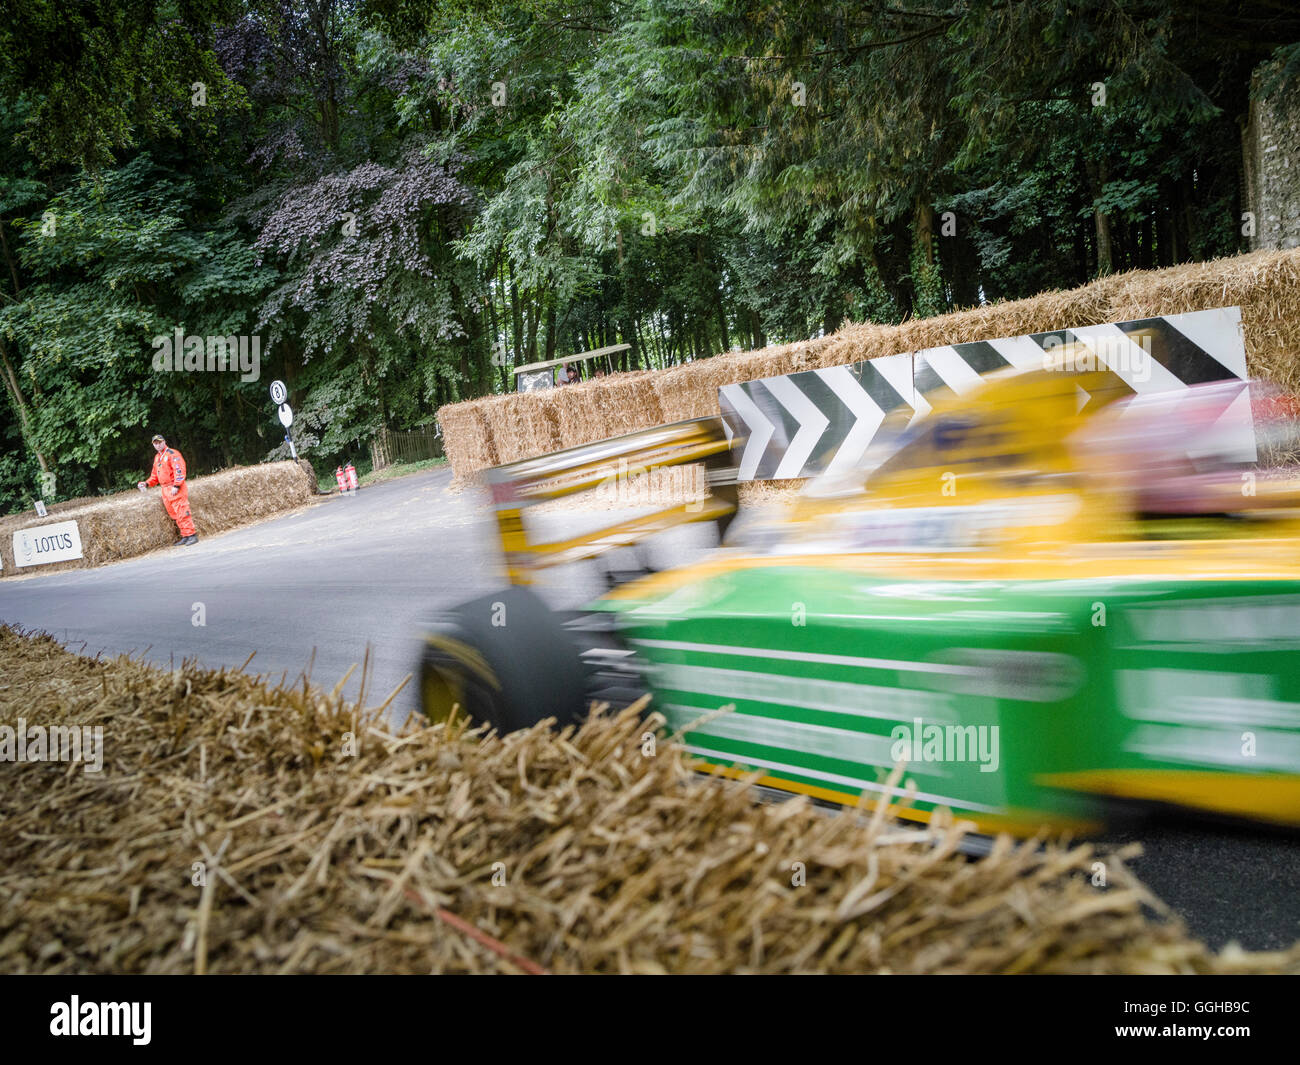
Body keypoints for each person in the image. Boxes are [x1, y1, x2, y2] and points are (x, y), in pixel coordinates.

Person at [138, 434, 198, 545]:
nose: (158, 444)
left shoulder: (172, 454)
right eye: (155, 443)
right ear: (153, 445)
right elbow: (155, 476)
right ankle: (185, 535)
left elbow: (179, 469)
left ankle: (192, 535)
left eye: (159, 442)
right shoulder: (157, 458)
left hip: (174, 487)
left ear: (164, 442)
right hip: (165, 489)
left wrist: (177, 485)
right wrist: (146, 483)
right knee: (174, 514)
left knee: (182, 511)